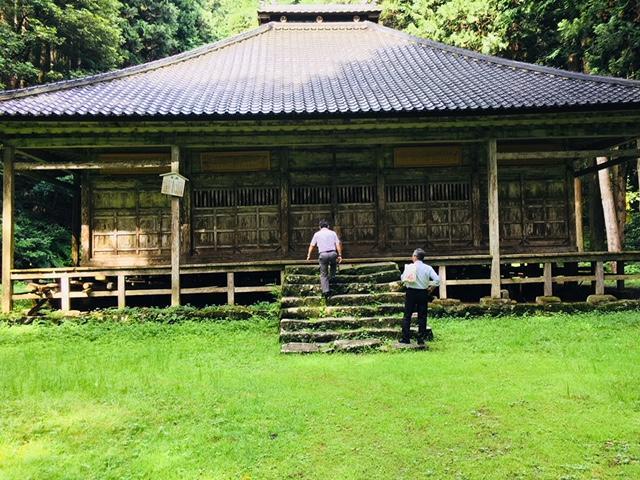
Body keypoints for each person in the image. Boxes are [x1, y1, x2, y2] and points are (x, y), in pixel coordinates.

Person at [398, 248, 440, 347]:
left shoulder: (410, 267)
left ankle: (406, 338)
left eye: (412, 255)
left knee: (407, 315)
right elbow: (437, 280)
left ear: (415, 257)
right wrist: (431, 287)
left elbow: (402, 278)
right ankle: (421, 339)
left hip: (411, 292)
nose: (412, 257)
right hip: (423, 292)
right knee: (422, 316)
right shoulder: (428, 268)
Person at [306, 220, 343, 298]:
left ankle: (326, 291)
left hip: (323, 254)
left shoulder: (317, 234)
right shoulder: (333, 233)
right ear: (328, 226)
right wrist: (339, 255)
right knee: (333, 264)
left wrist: (309, 255)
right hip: (333, 253)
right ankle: (332, 277)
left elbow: (312, 245)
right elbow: (337, 244)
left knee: (323, 274)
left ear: (319, 227)